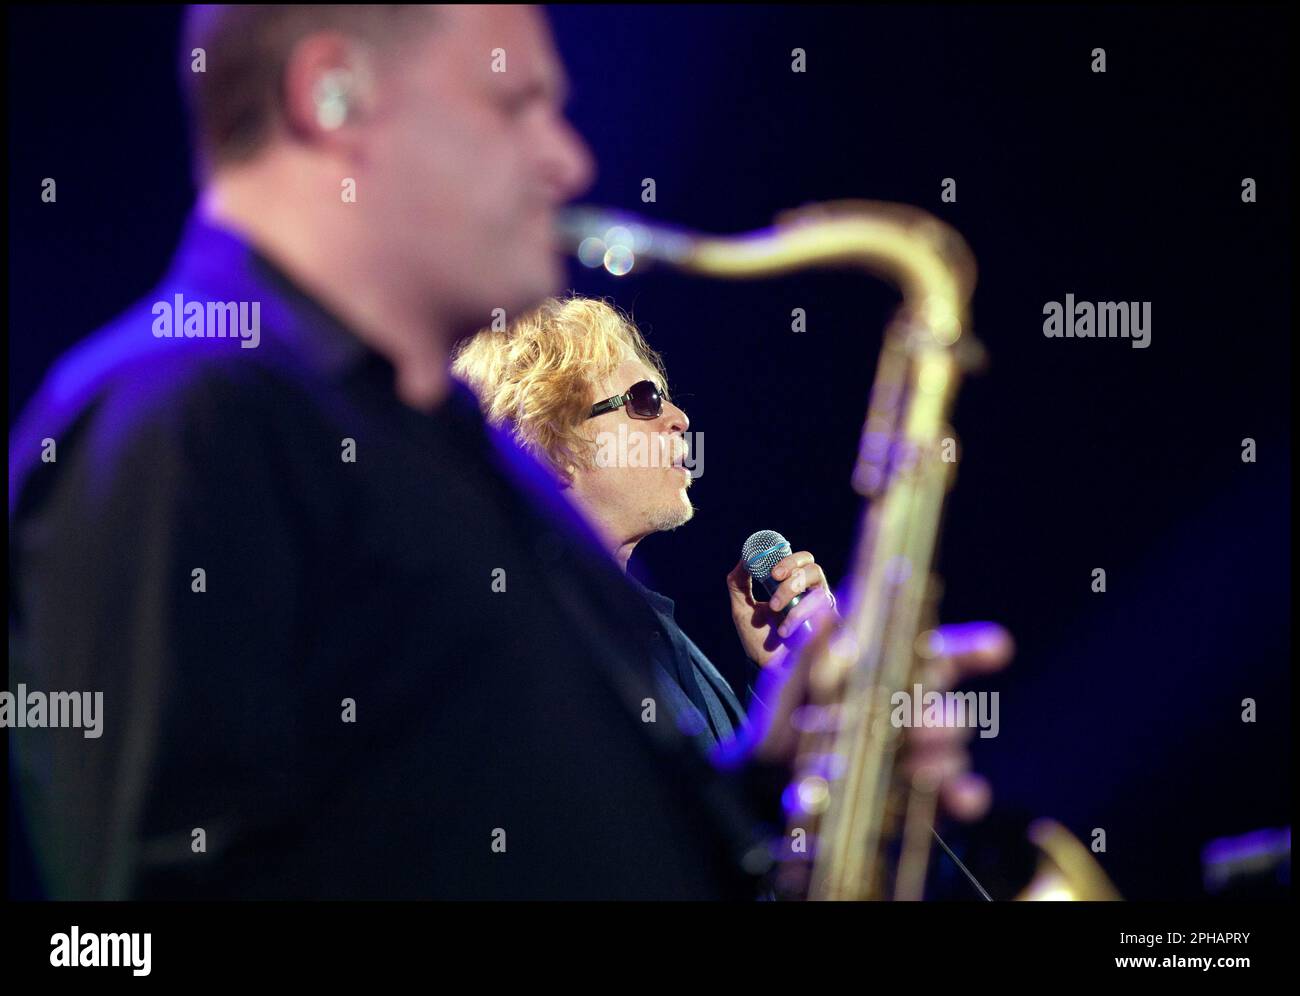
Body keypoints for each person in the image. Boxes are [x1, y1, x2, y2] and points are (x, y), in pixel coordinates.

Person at [453, 295, 1011, 819]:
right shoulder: (526, 637)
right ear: (546, 435)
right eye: (645, 401)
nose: (678, 417)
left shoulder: (652, 632)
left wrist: (784, 690)